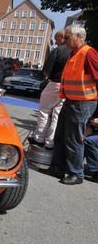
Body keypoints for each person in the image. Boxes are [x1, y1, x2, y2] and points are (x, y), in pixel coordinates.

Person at [50, 25, 98, 185]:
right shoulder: (74, 54)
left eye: (67, 37)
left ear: (78, 37)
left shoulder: (88, 53)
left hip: (82, 103)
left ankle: (75, 173)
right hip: (72, 100)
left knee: (73, 139)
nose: (64, 41)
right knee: (61, 135)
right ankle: (58, 167)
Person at [28, 31, 70, 149]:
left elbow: (46, 70)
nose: (55, 42)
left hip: (55, 83)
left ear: (62, 38)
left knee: (44, 111)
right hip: (67, 86)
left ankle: (39, 138)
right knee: (56, 114)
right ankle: (50, 142)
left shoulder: (58, 50)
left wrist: (45, 78)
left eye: (56, 39)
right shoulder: (74, 52)